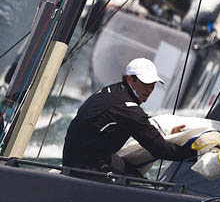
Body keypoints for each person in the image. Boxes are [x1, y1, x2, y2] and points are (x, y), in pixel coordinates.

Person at [62, 58, 193, 175]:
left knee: (137, 178)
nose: (150, 89)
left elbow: (141, 126)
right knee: (142, 191)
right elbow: (160, 149)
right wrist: (196, 154)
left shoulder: (112, 91)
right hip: (84, 166)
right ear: (130, 79)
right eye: (145, 83)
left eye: (153, 83)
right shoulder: (126, 108)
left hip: (88, 156)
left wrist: (170, 136)